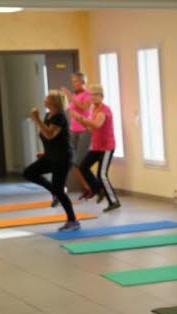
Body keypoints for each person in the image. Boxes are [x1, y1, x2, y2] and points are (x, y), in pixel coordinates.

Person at [23, 91, 78, 232]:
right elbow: (50, 140)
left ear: (54, 102)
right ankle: (54, 192)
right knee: (29, 173)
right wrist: (46, 153)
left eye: (48, 98)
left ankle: (73, 221)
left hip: (63, 158)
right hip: (51, 156)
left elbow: (49, 134)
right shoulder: (48, 116)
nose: (45, 99)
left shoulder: (59, 117)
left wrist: (36, 119)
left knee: (59, 189)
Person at [70, 84, 119, 212]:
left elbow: (97, 125)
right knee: (83, 167)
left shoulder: (104, 110)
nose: (92, 97)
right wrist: (80, 120)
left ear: (101, 96)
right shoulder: (93, 109)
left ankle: (113, 201)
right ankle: (99, 190)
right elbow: (90, 127)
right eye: (91, 95)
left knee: (102, 174)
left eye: (96, 95)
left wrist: (81, 118)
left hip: (107, 147)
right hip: (96, 146)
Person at [60, 72, 94, 201]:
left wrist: (69, 96)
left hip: (84, 130)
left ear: (82, 82)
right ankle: (86, 187)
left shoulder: (88, 95)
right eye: (73, 81)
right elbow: (72, 109)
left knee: (80, 162)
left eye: (76, 81)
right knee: (72, 161)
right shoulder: (75, 95)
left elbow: (84, 109)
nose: (73, 84)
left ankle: (92, 187)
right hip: (73, 130)